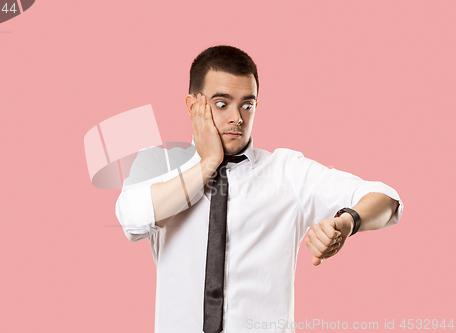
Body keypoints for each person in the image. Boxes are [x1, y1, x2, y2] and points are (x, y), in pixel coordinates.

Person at [115, 45, 403, 333]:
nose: (237, 118)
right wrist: (208, 163)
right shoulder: (158, 164)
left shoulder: (287, 171)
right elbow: (132, 219)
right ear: (194, 106)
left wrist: (346, 222)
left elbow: (387, 200)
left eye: (247, 105)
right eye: (222, 103)